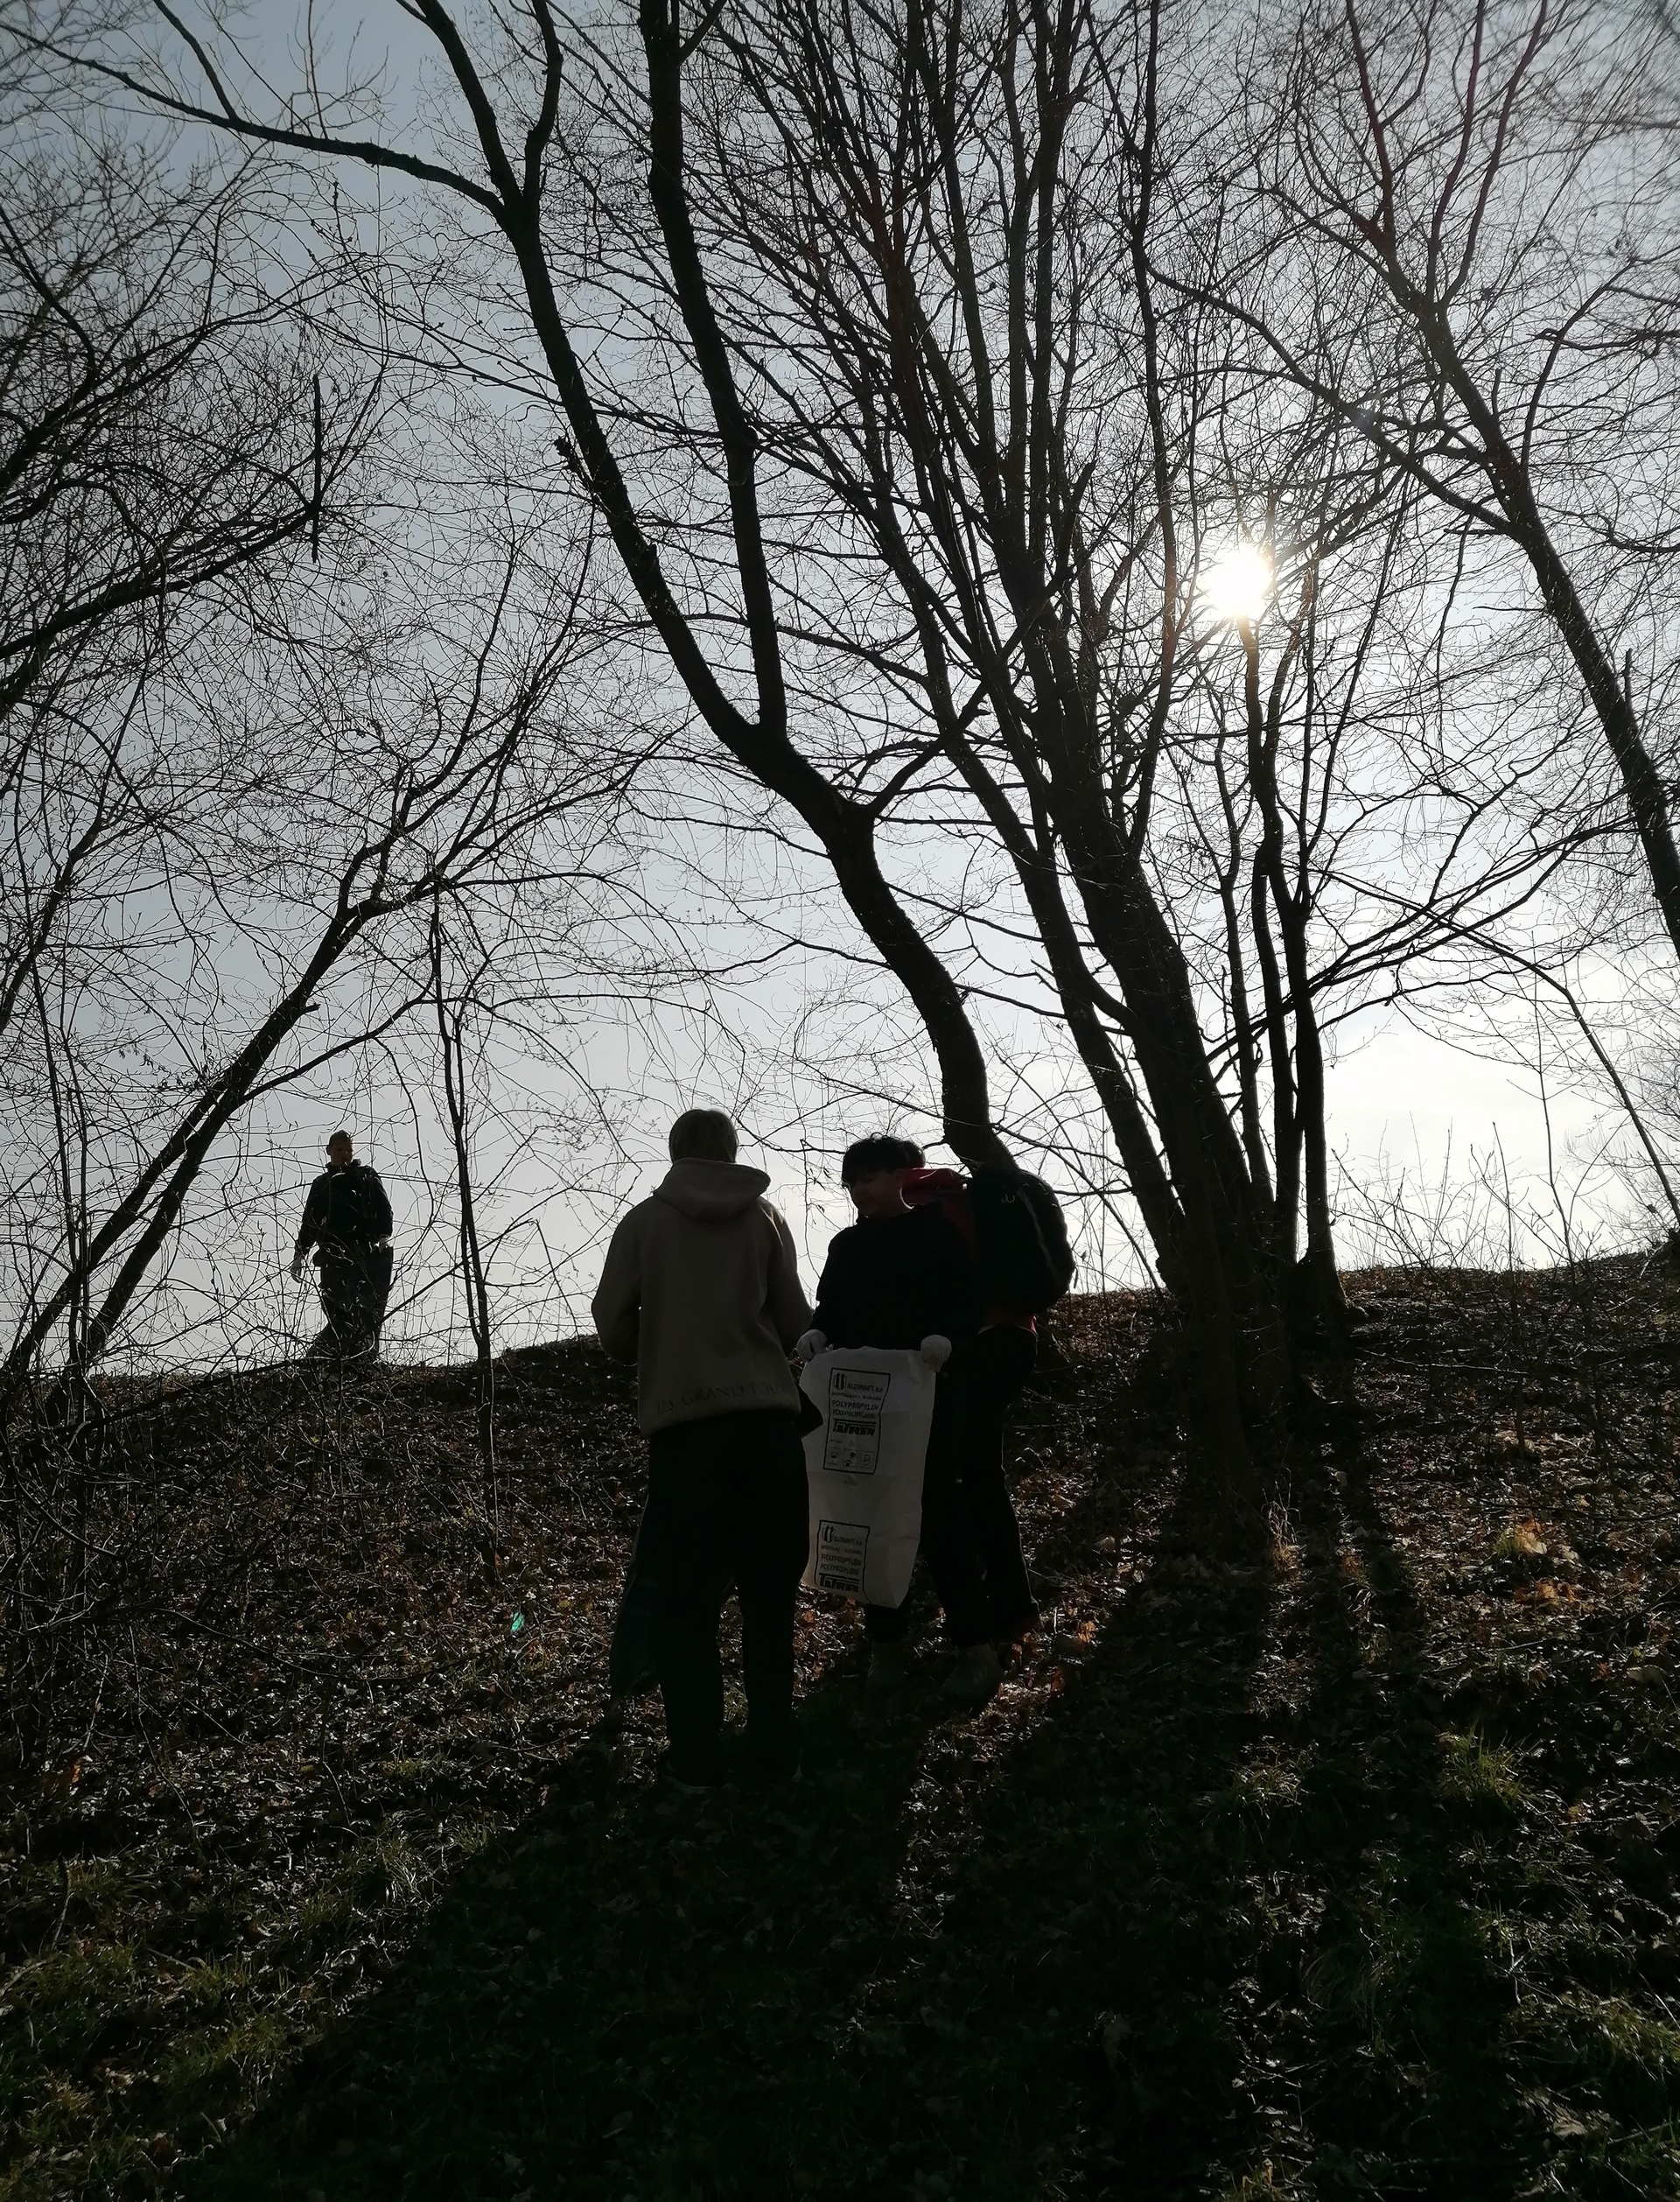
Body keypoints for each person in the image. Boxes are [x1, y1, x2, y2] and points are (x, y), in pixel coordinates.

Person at [592, 1108, 812, 1792]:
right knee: (769, 1598)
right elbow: (795, 1323)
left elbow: (612, 1330)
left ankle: (697, 1759)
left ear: (674, 1151)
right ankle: (773, 1753)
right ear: (731, 1151)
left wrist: (662, 1333)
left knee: (686, 1604)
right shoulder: (765, 1218)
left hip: (687, 1435)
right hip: (769, 1428)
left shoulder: (643, 1224)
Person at [807, 1134, 1003, 1707]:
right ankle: (886, 1645)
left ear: (902, 1176)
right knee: (869, 1520)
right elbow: (832, 1307)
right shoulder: (847, 1245)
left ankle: (976, 1651)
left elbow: (969, 1301)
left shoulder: (937, 1232)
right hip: (861, 1404)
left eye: (868, 1178)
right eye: (851, 1183)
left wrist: (948, 1339)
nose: (858, 1191)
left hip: (930, 1398)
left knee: (941, 1518)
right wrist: (819, 1332)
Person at [901, 1163, 1040, 1644]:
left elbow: (934, 1292)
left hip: (974, 1344)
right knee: (981, 1473)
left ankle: (1001, 1604)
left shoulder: (922, 1211)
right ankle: (1008, 1600)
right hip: (1017, 1339)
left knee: (960, 1478)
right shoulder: (964, 1199)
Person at [290, 1130, 394, 1360]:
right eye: (340, 1149)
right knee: (335, 1308)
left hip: (362, 1252)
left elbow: (383, 1208)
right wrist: (300, 1254)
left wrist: (383, 1236)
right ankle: (333, 1359)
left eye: (349, 1150)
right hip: (331, 1255)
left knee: (362, 1309)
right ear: (329, 1151)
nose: (345, 1154)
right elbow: (310, 1222)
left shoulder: (366, 1176)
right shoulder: (322, 1184)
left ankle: (356, 1358)